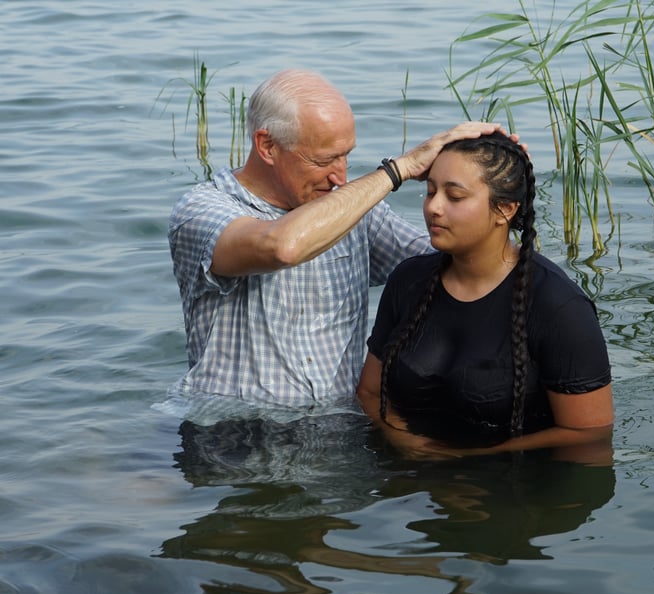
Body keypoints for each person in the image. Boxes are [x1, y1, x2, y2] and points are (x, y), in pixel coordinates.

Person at [168, 68, 504, 409]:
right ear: (267, 146)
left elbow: (459, 267)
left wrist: (488, 193)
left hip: (337, 428)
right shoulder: (200, 210)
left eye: (346, 156)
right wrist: (397, 171)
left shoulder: (355, 211)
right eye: (324, 160)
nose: (339, 176)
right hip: (232, 433)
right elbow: (282, 247)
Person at [357, 131, 614, 458]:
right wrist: (406, 440)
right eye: (430, 191)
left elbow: (588, 431)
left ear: (504, 209)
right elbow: (368, 391)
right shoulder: (408, 281)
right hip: (412, 472)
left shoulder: (558, 307)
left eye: (455, 196)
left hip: (511, 483)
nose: (433, 207)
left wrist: (471, 459)